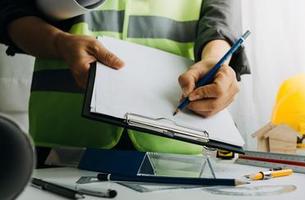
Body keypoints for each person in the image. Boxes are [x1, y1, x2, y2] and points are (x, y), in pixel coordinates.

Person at [0, 0, 249, 158]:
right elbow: (11, 9)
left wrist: (216, 62)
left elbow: (219, 19)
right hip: (64, 137)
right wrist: (57, 42)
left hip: (173, 139)